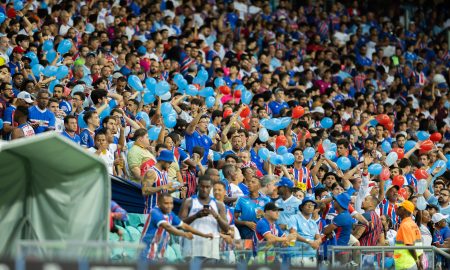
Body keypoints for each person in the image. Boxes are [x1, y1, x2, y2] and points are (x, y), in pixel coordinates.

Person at [140, 193, 213, 261]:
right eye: (166, 203)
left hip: (158, 256)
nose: (169, 206)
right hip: (146, 255)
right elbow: (168, 228)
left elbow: (184, 226)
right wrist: (185, 234)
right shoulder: (155, 212)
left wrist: (204, 235)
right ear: (158, 204)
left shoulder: (170, 214)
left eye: (171, 203)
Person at [179, 175, 230, 262]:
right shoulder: (189, 202)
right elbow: (179, 224)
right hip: (192, 249)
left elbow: (226, 228)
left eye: (207, 187)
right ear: (198, 186)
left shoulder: (219, 205)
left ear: (211, 188)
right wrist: (196, 216)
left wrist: (216, 216)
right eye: (202, 186)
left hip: (211, 250)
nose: (205, 189)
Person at [288, 198, 322, 267]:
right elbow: (294, 234)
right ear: (302, 207)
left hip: (312, 255)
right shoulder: (294, 217)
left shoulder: (313, 222)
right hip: (298, 255)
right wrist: (309, 241)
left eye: (312, 205)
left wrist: (317, 241)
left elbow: (318, 237)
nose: (310, 207)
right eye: (307, 204)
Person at [395, 200, 423, 270]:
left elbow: (409, 245)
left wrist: (417, 261)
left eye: (399, 207)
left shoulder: (405, 225)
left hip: (405, 264)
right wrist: (419, 261)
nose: (397, 208)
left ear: (404, 210)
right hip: (411, 263)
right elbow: (419, 245)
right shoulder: (414, 224)